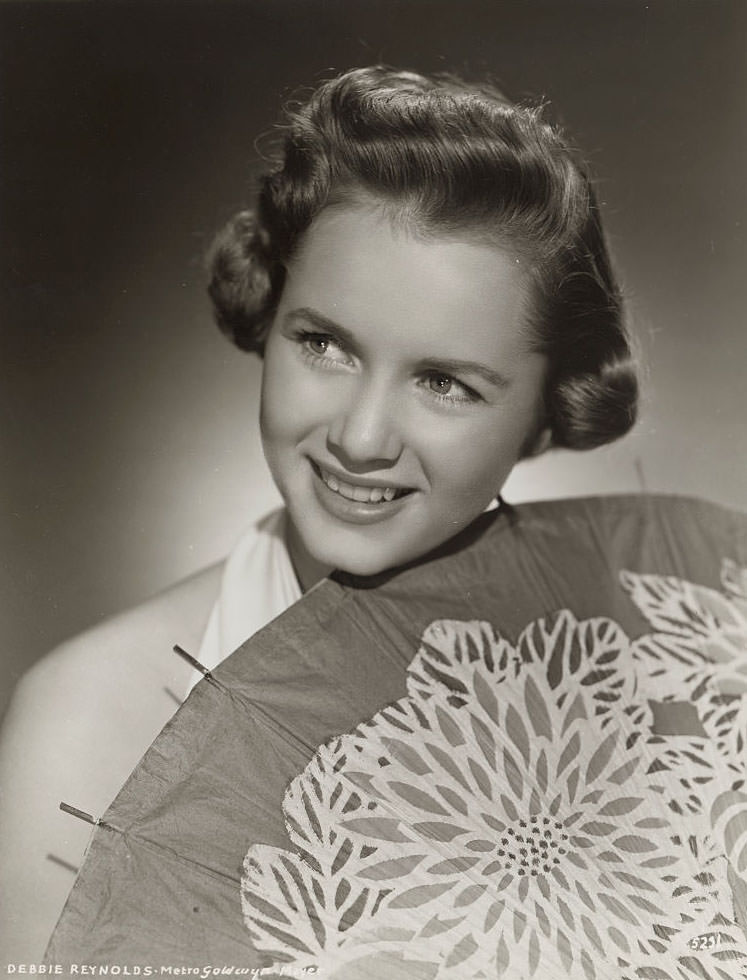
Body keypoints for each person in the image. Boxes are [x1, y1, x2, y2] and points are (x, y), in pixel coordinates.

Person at [0, 66, 637, 962]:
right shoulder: (87, 719)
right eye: (324, 344)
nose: (362, 438)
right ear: (267, 317)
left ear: (547, 412)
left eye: (444, 381)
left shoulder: (655, 708)